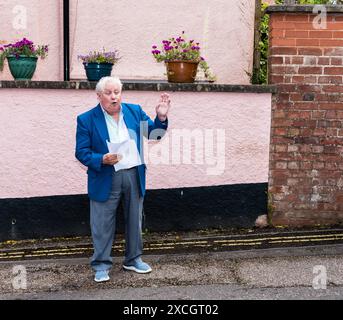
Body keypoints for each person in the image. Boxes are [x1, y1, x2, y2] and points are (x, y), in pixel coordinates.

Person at [75, 76, 170, 282]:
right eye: (108, 93)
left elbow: (154, 135)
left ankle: (133, 259)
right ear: (99, 96)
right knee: (102, 222)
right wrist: (101, 158)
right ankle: (101, 265)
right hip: (105, 174)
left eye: (117, 92)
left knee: (135, 218)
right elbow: (81, 152)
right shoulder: (86, 119)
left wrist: (160, 118)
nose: (113, 97)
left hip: (133, 173)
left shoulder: (134, 111)